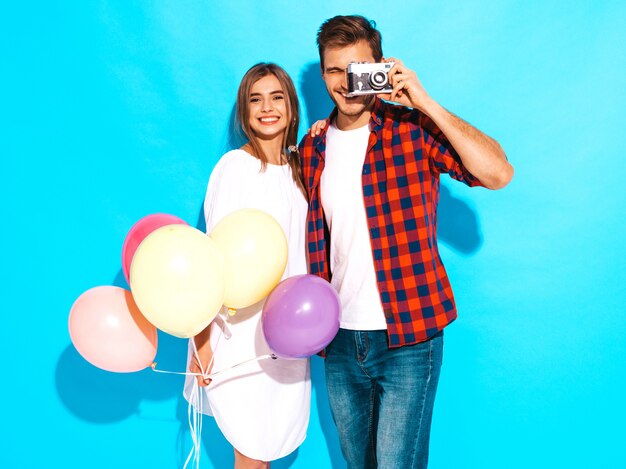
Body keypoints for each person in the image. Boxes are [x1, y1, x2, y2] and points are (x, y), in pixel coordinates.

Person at [299, 15, 514, 469]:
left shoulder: (412, 130)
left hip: (409, 337)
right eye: (335, 71)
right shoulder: (313, 148)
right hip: (337, 338)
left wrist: (426, 103)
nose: (346, 82)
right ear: (322, 74)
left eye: (358, 69)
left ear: (380, 67)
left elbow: (498, 173)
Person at [183, 63, 310, 469]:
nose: (267, 107)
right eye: (256, 99)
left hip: (289, 331)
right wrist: (201, 339)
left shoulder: (301, 171)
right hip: (238, 331)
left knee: (265, 449)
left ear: (292, 108)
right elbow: (212, 254)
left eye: (277, 97)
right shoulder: (234, 169)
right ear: (244, 112)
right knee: (251, 453)